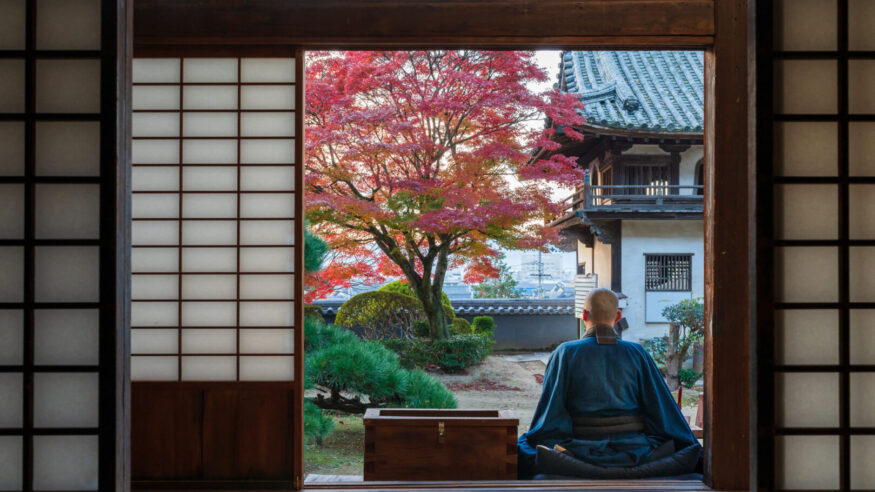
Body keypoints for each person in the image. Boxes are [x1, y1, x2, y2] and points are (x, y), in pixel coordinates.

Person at [517, 288, 701, 479]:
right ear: (618, 316)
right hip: (637, 452)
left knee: (525, 446)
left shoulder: (565, 352)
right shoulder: (637, 353)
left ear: (583, 315)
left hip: (579, 454)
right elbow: (662, 411)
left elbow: (550, 416)